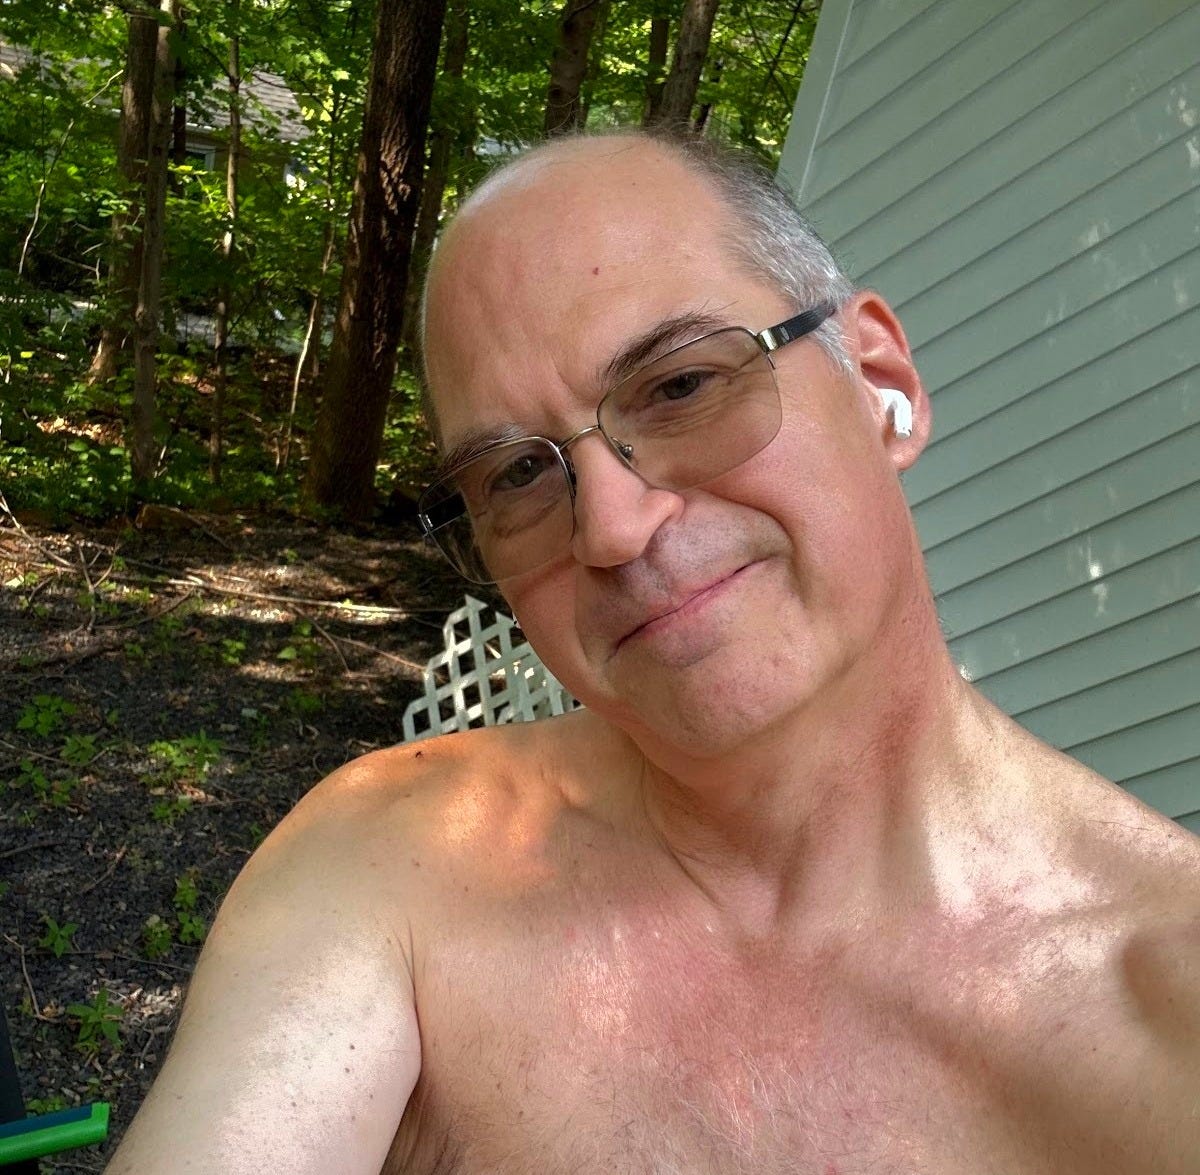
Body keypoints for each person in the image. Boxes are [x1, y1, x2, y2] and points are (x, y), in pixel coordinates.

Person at [107, 130, 1200, 1175]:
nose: (613, 527)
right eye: (520, 477)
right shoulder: (396, 860)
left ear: (883, 387)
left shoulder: (1162, 1012)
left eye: (681, 385)